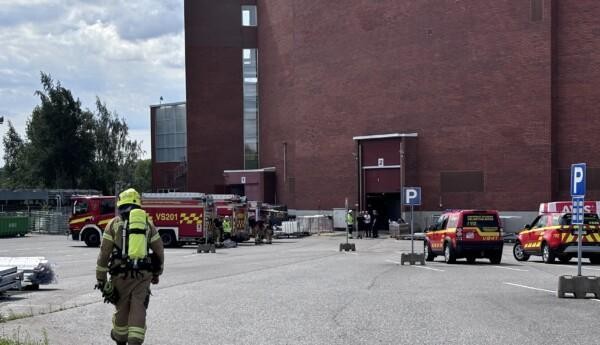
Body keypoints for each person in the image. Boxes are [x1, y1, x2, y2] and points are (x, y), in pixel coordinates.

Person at [96, 188, 165, 345]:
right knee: (138, 305)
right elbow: (159, 250)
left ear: (121, 205)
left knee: (122, 306)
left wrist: (101, 280)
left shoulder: (113, 224)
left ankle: (120, 338)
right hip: (142, 276)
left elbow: (103, 254)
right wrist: (157, 273)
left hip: (120, 276)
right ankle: (135, 339)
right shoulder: (147, 224)